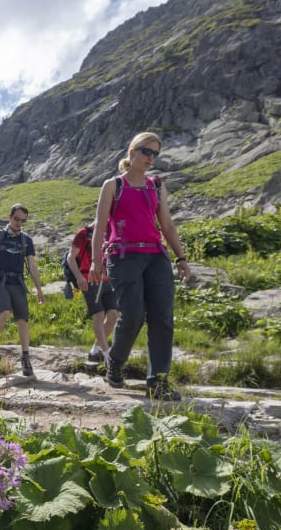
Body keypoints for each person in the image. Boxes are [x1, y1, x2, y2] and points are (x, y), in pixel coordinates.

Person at [88, 132, 191, 400]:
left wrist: (181, 258)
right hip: (123, 256)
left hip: (156, 256)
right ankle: (115, 362)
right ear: (132, 152)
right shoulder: (113, 185)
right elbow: (100, 225)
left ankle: (158, 381)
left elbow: (167, 225)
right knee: (132, 316)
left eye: (155, 154)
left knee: (162, 317)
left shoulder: (156, 185)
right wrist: (96, 261)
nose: (151, 158)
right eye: (146, 151)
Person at [0, 204, 44, 377]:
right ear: (9, 217)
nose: (19, 223)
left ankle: (25, 358)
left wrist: (39, 289)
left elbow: (32, 265)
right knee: (5, 311)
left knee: (22, 319)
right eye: (16, 219)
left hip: (17, 281)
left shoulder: (26, 240)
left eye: (23, 221)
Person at [66, 223, 119, 363]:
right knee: (99, 315)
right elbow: (71, 257)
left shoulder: (110, 232)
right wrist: (79, 277)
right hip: (89, 279)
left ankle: (95, 350)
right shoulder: (83, 233)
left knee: (113, 315)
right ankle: (107, 355)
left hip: (107, 280)